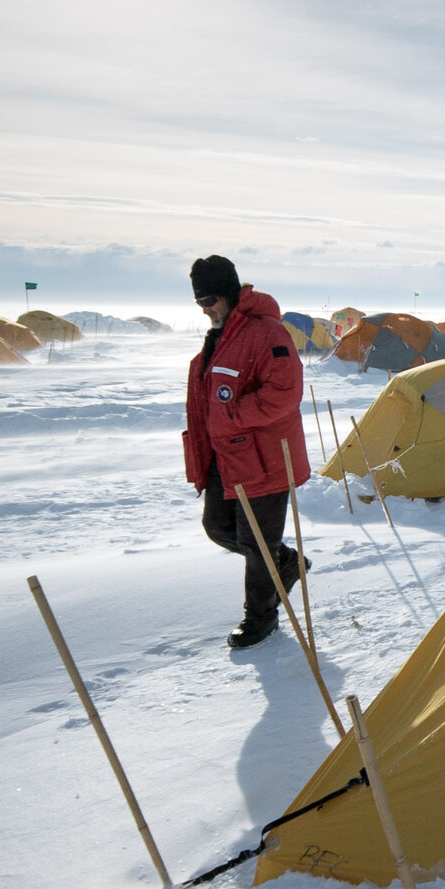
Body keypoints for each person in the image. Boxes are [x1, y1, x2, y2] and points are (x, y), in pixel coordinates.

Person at [182, 255, 311, 647]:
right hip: (228, 455)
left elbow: (285, 392)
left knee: (256, 544)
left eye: (210, 301)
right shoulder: (222, 334)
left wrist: (233, 415)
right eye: (199, 303)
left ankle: (261, 619)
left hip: (267, 457)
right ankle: (284, 562)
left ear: (228, 293)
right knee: (218, 527)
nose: (206, 311)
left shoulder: (266, 332)